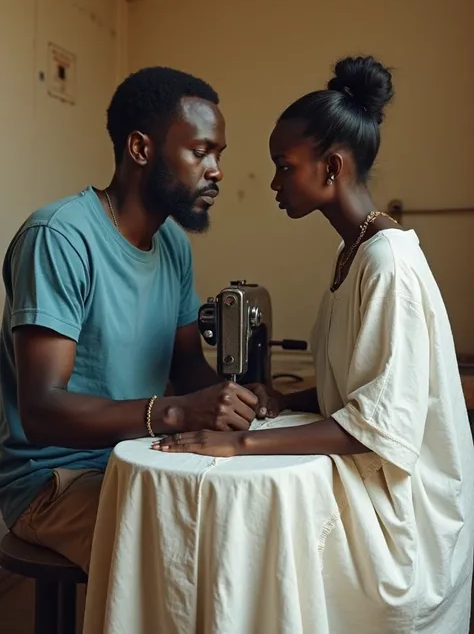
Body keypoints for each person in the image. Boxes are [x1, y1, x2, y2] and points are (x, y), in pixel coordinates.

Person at [156, 56, 474, 633]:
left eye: (283, 167)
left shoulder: (388, 261)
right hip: (375, 475)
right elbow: (360, 389)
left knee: (252, 530)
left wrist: (242, 443)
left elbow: (378, 429)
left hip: (407, 523)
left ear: (331, 167)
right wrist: (285, 396)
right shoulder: (354, 254)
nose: (273, 183)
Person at [0, 66, 258, 573]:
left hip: (143, 458)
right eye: (200, 152)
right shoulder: (59, 237)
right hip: (55, 482)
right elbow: (42, 409)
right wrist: (179, 413)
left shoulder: (173, 247)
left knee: (248, 523)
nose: (217, 171)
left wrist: (240, 398)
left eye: (219, 155)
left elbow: (187, 368)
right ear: (141, 149)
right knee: (190, 561)